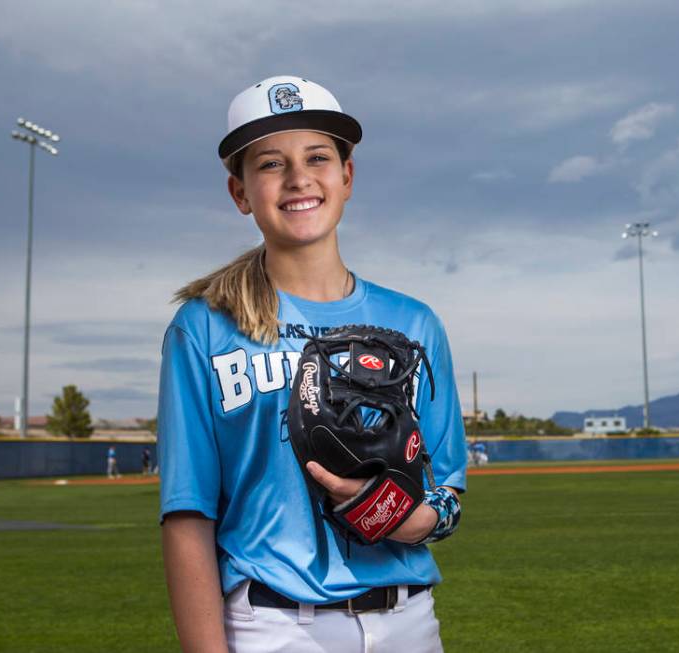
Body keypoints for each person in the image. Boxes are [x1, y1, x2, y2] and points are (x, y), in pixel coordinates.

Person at [158, 76, 467, 653]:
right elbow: (187, 515)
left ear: (346, 177)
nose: (299, 178)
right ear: (240, 192)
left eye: (318, 157)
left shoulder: (415, 323)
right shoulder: (204, 327)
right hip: (273, 626)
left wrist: (381, 510)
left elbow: (445, 494)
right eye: (271, 163)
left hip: (407, 620)